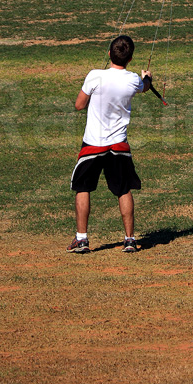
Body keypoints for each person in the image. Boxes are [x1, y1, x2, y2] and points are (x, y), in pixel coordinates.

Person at [67, 34, 152, 254]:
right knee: (123, 189)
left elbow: (78, 105)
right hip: (119, 145)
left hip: (93, 144)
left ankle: (82, 239)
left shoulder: (95, 76)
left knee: (83, 187)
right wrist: (148, 79)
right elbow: (143, 87)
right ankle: (130, 240)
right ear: (130, 59)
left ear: (109, 54)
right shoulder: (133, 79)